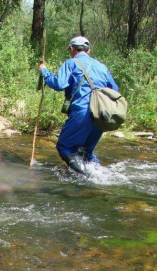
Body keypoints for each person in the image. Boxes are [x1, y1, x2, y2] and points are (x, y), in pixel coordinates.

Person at [38, 36, 118, 175]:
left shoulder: (71, 63)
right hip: (101, 115)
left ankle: (87, 178)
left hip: (82, 112)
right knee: (86, 151)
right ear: (89, 50)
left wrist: (45, 71)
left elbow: (59, 84)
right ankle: (103, 176)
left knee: (65, 147)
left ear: (72, 49)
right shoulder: (101, 66)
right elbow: (114, 90)